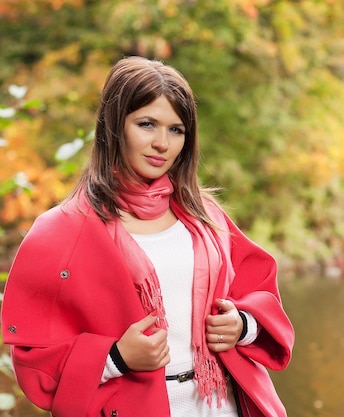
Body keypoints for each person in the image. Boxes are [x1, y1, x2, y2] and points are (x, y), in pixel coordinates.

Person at [1, 56, 295, 417]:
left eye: (176, 130)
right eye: (146, 124)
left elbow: (259, 292)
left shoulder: (204, 215)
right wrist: (116, 358)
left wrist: (242, 325)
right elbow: (34, 356)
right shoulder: (61, 230)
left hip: (221, 404)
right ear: (114, 126)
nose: (162, 143)